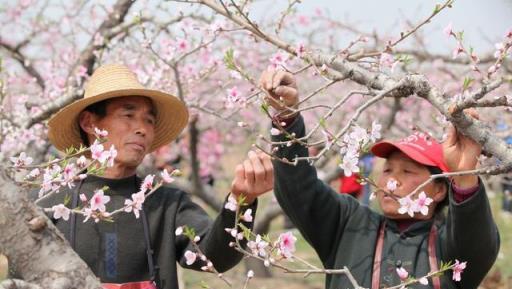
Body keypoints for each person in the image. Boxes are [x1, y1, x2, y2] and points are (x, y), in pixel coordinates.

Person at [256, 67, 500, 289]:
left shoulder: (449, 246)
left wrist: (464, 175)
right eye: (387, 170)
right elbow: (299, 190)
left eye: (407, 171)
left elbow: (477, 241)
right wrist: (286, 118)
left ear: (438, 190)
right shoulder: (349, 223)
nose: (392, 180)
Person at [36, 64, 273, 289]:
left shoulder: (167, 204)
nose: (142, 129)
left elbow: (214, 258)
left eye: (149, 120)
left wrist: (240, 202)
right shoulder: (50, 202)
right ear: (89, 122)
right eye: (128, 115)